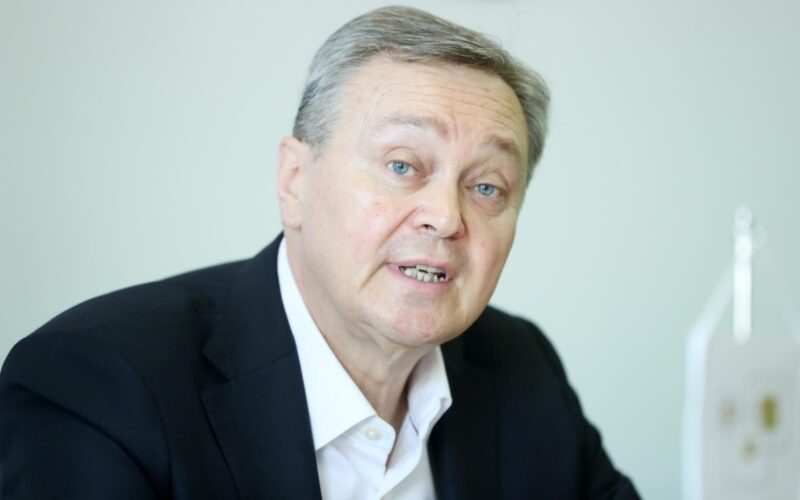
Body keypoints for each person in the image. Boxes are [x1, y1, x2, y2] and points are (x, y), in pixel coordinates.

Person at [0, 6, 640, 499]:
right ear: (294, 182)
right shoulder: (102, 385)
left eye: (487, 187)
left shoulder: (522, 367)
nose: (447, 217)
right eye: (402, 165)